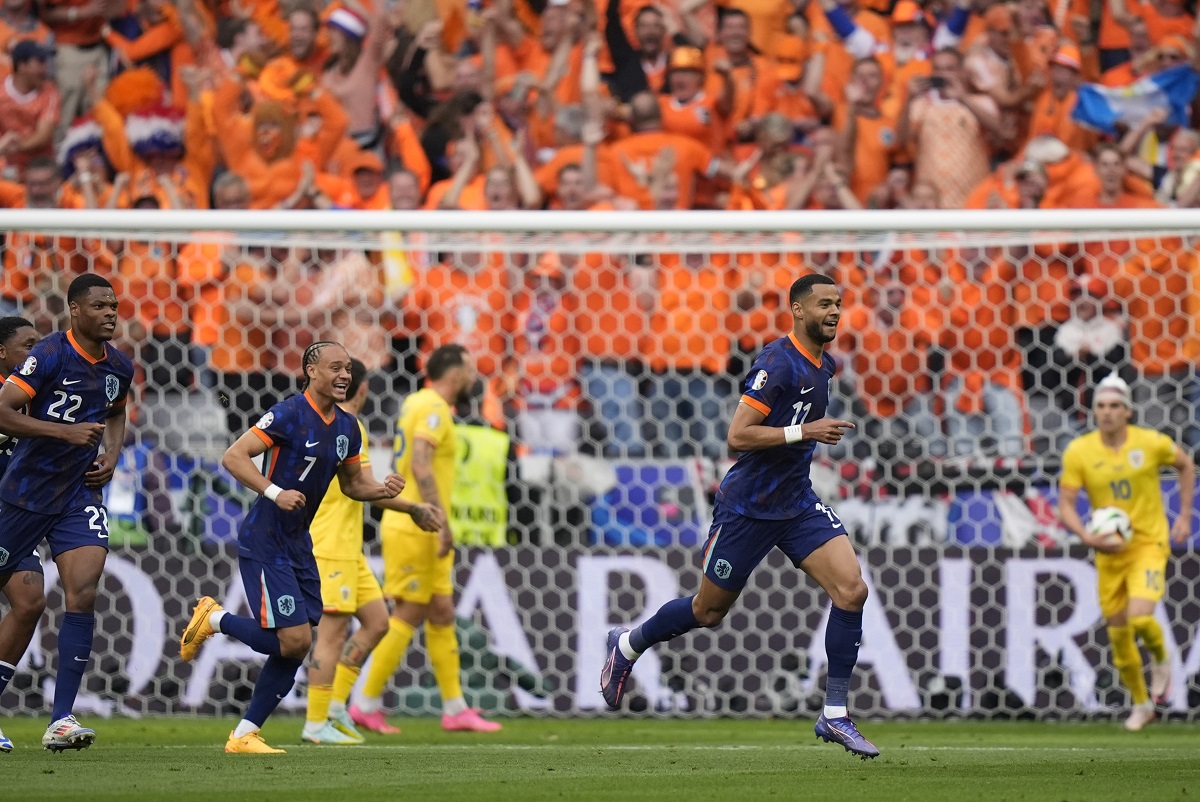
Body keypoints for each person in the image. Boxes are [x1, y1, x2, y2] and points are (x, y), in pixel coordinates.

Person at [599, 274, 880, 760]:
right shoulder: (777, 362)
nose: (834, 312)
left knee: (852, 589)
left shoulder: (824, 365)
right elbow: (738, 435)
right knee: (707, 612)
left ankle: (835, 713)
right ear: (796, 310)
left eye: (839, 304)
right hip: (747, 507)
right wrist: (804, 430)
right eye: (824, 305)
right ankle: (627, 643)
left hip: (796, 503)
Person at [178, 341, 405, 754]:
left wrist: (381, 488)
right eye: (335, 368)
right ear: (311, 371)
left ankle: (244, 734)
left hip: (300, 542)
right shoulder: (287, 414)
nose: (344, 376)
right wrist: (274, 491)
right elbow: (234, 456)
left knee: (298, 642)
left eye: (348, 370)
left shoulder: (348, 428)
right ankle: (215, 619)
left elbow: (353, 485)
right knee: (294, 641)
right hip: (265, 540)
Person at [0, 274, 134, 752]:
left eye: (114, 305)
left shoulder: (120, 365)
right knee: (27, 601)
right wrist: (65, 433)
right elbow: (3, 409)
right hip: (21, 496)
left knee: (83, 589)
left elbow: (116, 411)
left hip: (77, 494)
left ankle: (60, 720)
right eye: (99, 306)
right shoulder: (51, 355)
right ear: (75, 311)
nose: (110, 313)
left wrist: (113, 455)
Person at [351, 344, 502, 734]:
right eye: (469, 370)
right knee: (409, 612)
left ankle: (455, 708)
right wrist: (440, 519)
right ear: (454, 373)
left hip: (418, 524)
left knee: (441, 612)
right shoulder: (434, 408)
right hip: (416, 524)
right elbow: (420, 462)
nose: (473, 378)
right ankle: (363, 702)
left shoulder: (416, 402)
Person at [302, 357, 444, 745]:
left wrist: (411, 505)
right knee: (331, 635)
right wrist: (412, 506)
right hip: (331, 545)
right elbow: (364, 486)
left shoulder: (336, 425)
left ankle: (334, 707)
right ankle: (315, 724)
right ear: (363, 390)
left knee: (378, 621)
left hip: (349, 548)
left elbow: (361, 487)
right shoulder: (347, 427)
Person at [1057, 374, 1194, 731]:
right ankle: (1142, 703)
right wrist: (1088, 535)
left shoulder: (1150, 443)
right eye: (1101, 406)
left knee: (1140, 617)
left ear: (1128, 411)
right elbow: (1067, 505)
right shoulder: (1079, 451)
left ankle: (1162, 659)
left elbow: (1185, 464)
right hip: (1108, 551)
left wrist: (1182, 517)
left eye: (1114, 406)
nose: (1107, 412)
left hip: (1148, 544)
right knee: (1118, 634)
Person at [0, 316, 41, 753]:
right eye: (28, 346)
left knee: (30, 601)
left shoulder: (35, 395)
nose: (36, 353)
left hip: (13, 516)